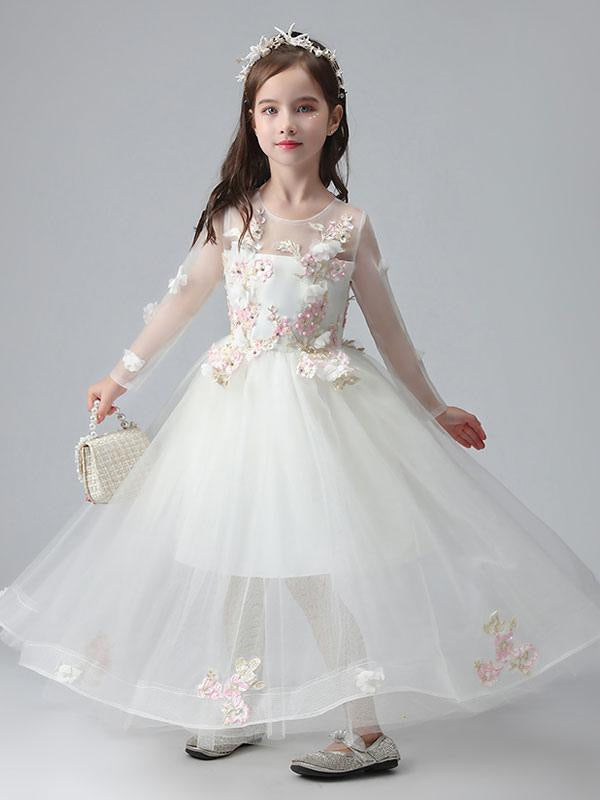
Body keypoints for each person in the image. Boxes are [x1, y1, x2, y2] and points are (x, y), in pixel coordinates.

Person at [2, 22, 600, 780]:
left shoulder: (348, 226)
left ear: (334, 117)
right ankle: (240, 707)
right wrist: (120, 376)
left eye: (305, 107)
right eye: (270, 109)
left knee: (311, 571)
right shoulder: (234, 218)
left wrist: (435, 406)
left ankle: (366, 728)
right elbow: (180, 302)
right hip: (233, 414)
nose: (287, 123)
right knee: (234, 565)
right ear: (252, 122)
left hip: (319, 419)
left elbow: (391, 331)